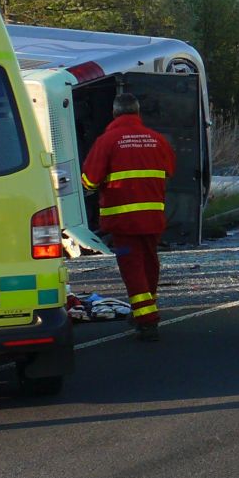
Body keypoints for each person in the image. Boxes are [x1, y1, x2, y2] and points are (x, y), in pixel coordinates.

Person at [81, 92, 176, 341]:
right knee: (149, 264)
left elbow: (90, 180)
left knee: (132, 268)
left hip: (123, 221)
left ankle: (147, 320)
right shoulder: (157, 139)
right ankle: (145, 309)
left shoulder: (107, 141)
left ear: (114, 113)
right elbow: (169, 171)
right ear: (137, 112)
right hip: (152, 217)